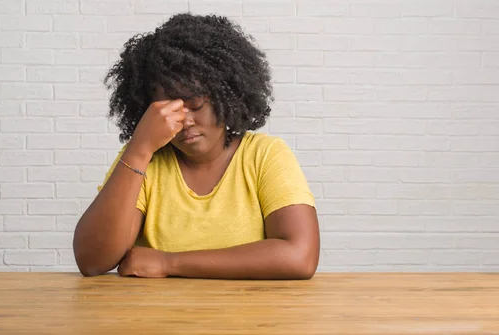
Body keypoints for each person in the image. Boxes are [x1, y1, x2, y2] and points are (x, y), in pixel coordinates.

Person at [73, 13, 320, 280]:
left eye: (196, 104)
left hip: (248, 318)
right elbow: (92, 261)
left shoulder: (264, 156)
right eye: (168, 110)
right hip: (153, 319)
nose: (185, 121)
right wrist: (139, 148)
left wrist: (169, 263)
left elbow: (299, 256)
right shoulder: (144, 160)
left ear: (229, 95)